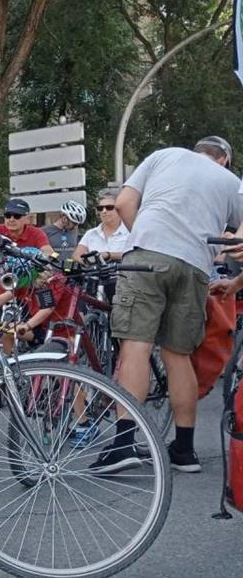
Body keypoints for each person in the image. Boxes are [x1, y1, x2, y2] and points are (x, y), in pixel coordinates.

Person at [95, 136, 243, 475]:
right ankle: (185, 450)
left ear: (198, 151)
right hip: (194, 266)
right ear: (224, 160)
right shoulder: (229, 181)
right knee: (178, 355)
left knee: (136, 347)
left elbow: (124, 202)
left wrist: (145, 237)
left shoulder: (164, 155)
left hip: (147, 255)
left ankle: (123, 444)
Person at [73, 188, 130, 262]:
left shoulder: (130, 232)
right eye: (100, 208)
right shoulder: (90, 234)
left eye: (109, 207)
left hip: (122, 273)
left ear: (119, 208)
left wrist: (108, 255)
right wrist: (84, 261)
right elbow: (76, 255)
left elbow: (136, 256)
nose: (104, 211)